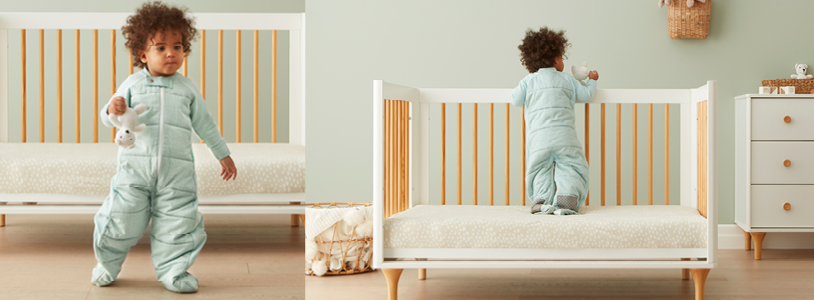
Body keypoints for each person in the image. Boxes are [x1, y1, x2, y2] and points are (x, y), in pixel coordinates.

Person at [91, 1, 237, 293]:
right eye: (161, 48)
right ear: (143, 54)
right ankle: (107, 264)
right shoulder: (132, 84)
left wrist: (223, 154)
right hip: (134, 172)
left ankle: (173, 272)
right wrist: (112, 108)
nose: (171, 53)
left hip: (176, 172)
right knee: (120, 218)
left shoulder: (187, 89)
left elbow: (205, 125)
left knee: (178, 223)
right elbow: (110, 119)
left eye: (178, 46)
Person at [511, 27, 598, 215]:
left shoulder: (528, 81)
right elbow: (587, 95)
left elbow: (516, 100)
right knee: (572, 166)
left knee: (540, 168)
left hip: (539, 141)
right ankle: (567, 202)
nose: (563, 62)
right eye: (561, 57)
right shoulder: (567, 80)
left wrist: (522, 87)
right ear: (554, 59)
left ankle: (541, 201)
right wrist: (592, 80)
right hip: (565, 138)